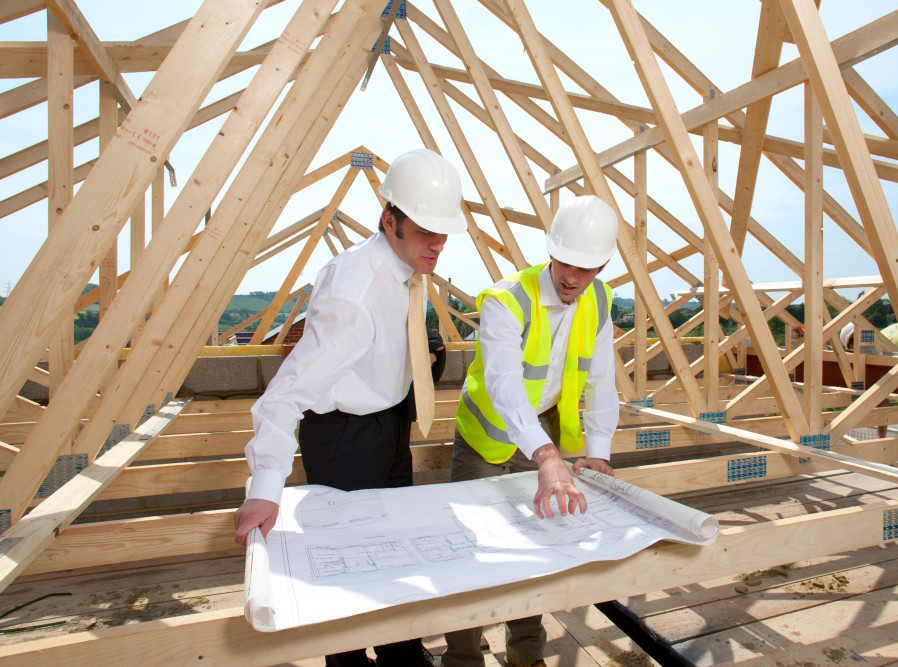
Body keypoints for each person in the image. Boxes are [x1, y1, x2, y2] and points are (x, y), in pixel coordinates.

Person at [234, 148, 465, 667]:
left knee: (393, 551)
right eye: (427, 230)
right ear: (390, 220)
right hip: (343, 438)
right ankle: (347, 658)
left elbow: (384, 348)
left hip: (387, 427)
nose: (438, 244)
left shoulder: (404, 268)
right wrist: (266, 488)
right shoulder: (354, 290)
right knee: (348, 569)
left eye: (444, 231)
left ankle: (402, 652)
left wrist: (420, 354)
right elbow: (285, 393)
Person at [441, 196, 621, 667]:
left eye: (587, 269)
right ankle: (461, 657)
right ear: (550, 249)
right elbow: (504, 386)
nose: (572, 278)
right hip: (486, 436)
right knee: (472, 549)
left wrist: (598, 452)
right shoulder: (507, 299)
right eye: (565, 263)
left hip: (540, 433)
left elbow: (604, 381)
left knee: (536, 543)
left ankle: (524, 656)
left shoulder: (599, 301)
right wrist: (547, 457)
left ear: (603, 263)